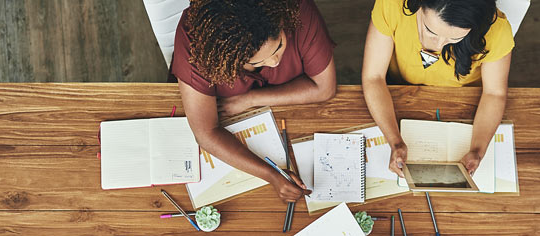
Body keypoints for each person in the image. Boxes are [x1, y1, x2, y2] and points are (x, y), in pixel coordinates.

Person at [172, 0, 337, 203]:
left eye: (279, 46)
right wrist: (271, 175)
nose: (275, 61)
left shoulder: (296, 9)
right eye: (258, 62)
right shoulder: (198, 40)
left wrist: (249, 100)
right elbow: (205, 134)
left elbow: (325, 88)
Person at [362, 0, 514, 177]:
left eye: (454, 38)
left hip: (463, 102)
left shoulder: (498, 31)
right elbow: (373, 77)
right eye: (430, 31)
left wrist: (477, 150)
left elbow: (494, 93)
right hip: (399, 91)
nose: (440, 44)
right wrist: (395, 141)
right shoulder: (392, 5)